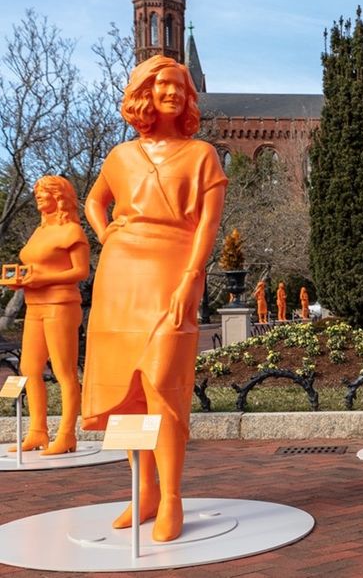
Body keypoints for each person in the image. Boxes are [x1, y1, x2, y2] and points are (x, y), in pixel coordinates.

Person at [82, 55, 227, 542]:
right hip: (120, 274)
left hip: (173, 268)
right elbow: (93, 201)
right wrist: (107, 236)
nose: (172, 92)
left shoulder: (201, 155)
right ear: (144, 91)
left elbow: (207, 224)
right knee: (129, 393)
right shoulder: (120, 157)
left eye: (180, 87)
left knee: (164, 385)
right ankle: (142, 491)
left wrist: (192, 277)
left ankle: (171, 498)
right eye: (162, 83)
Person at [6, 176, 89, 455]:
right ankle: (37, 431)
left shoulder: (72, 231)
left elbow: (81, 271)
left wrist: (45, 279)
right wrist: (23, 280)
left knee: (63, 371)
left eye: (44, 193)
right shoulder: (39, 231)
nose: (38, 197)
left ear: (60, 197)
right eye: (37, 193)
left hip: (60, 305)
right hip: (35, 306)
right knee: (29, 368)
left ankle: (67, 434)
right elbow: (32, 267)